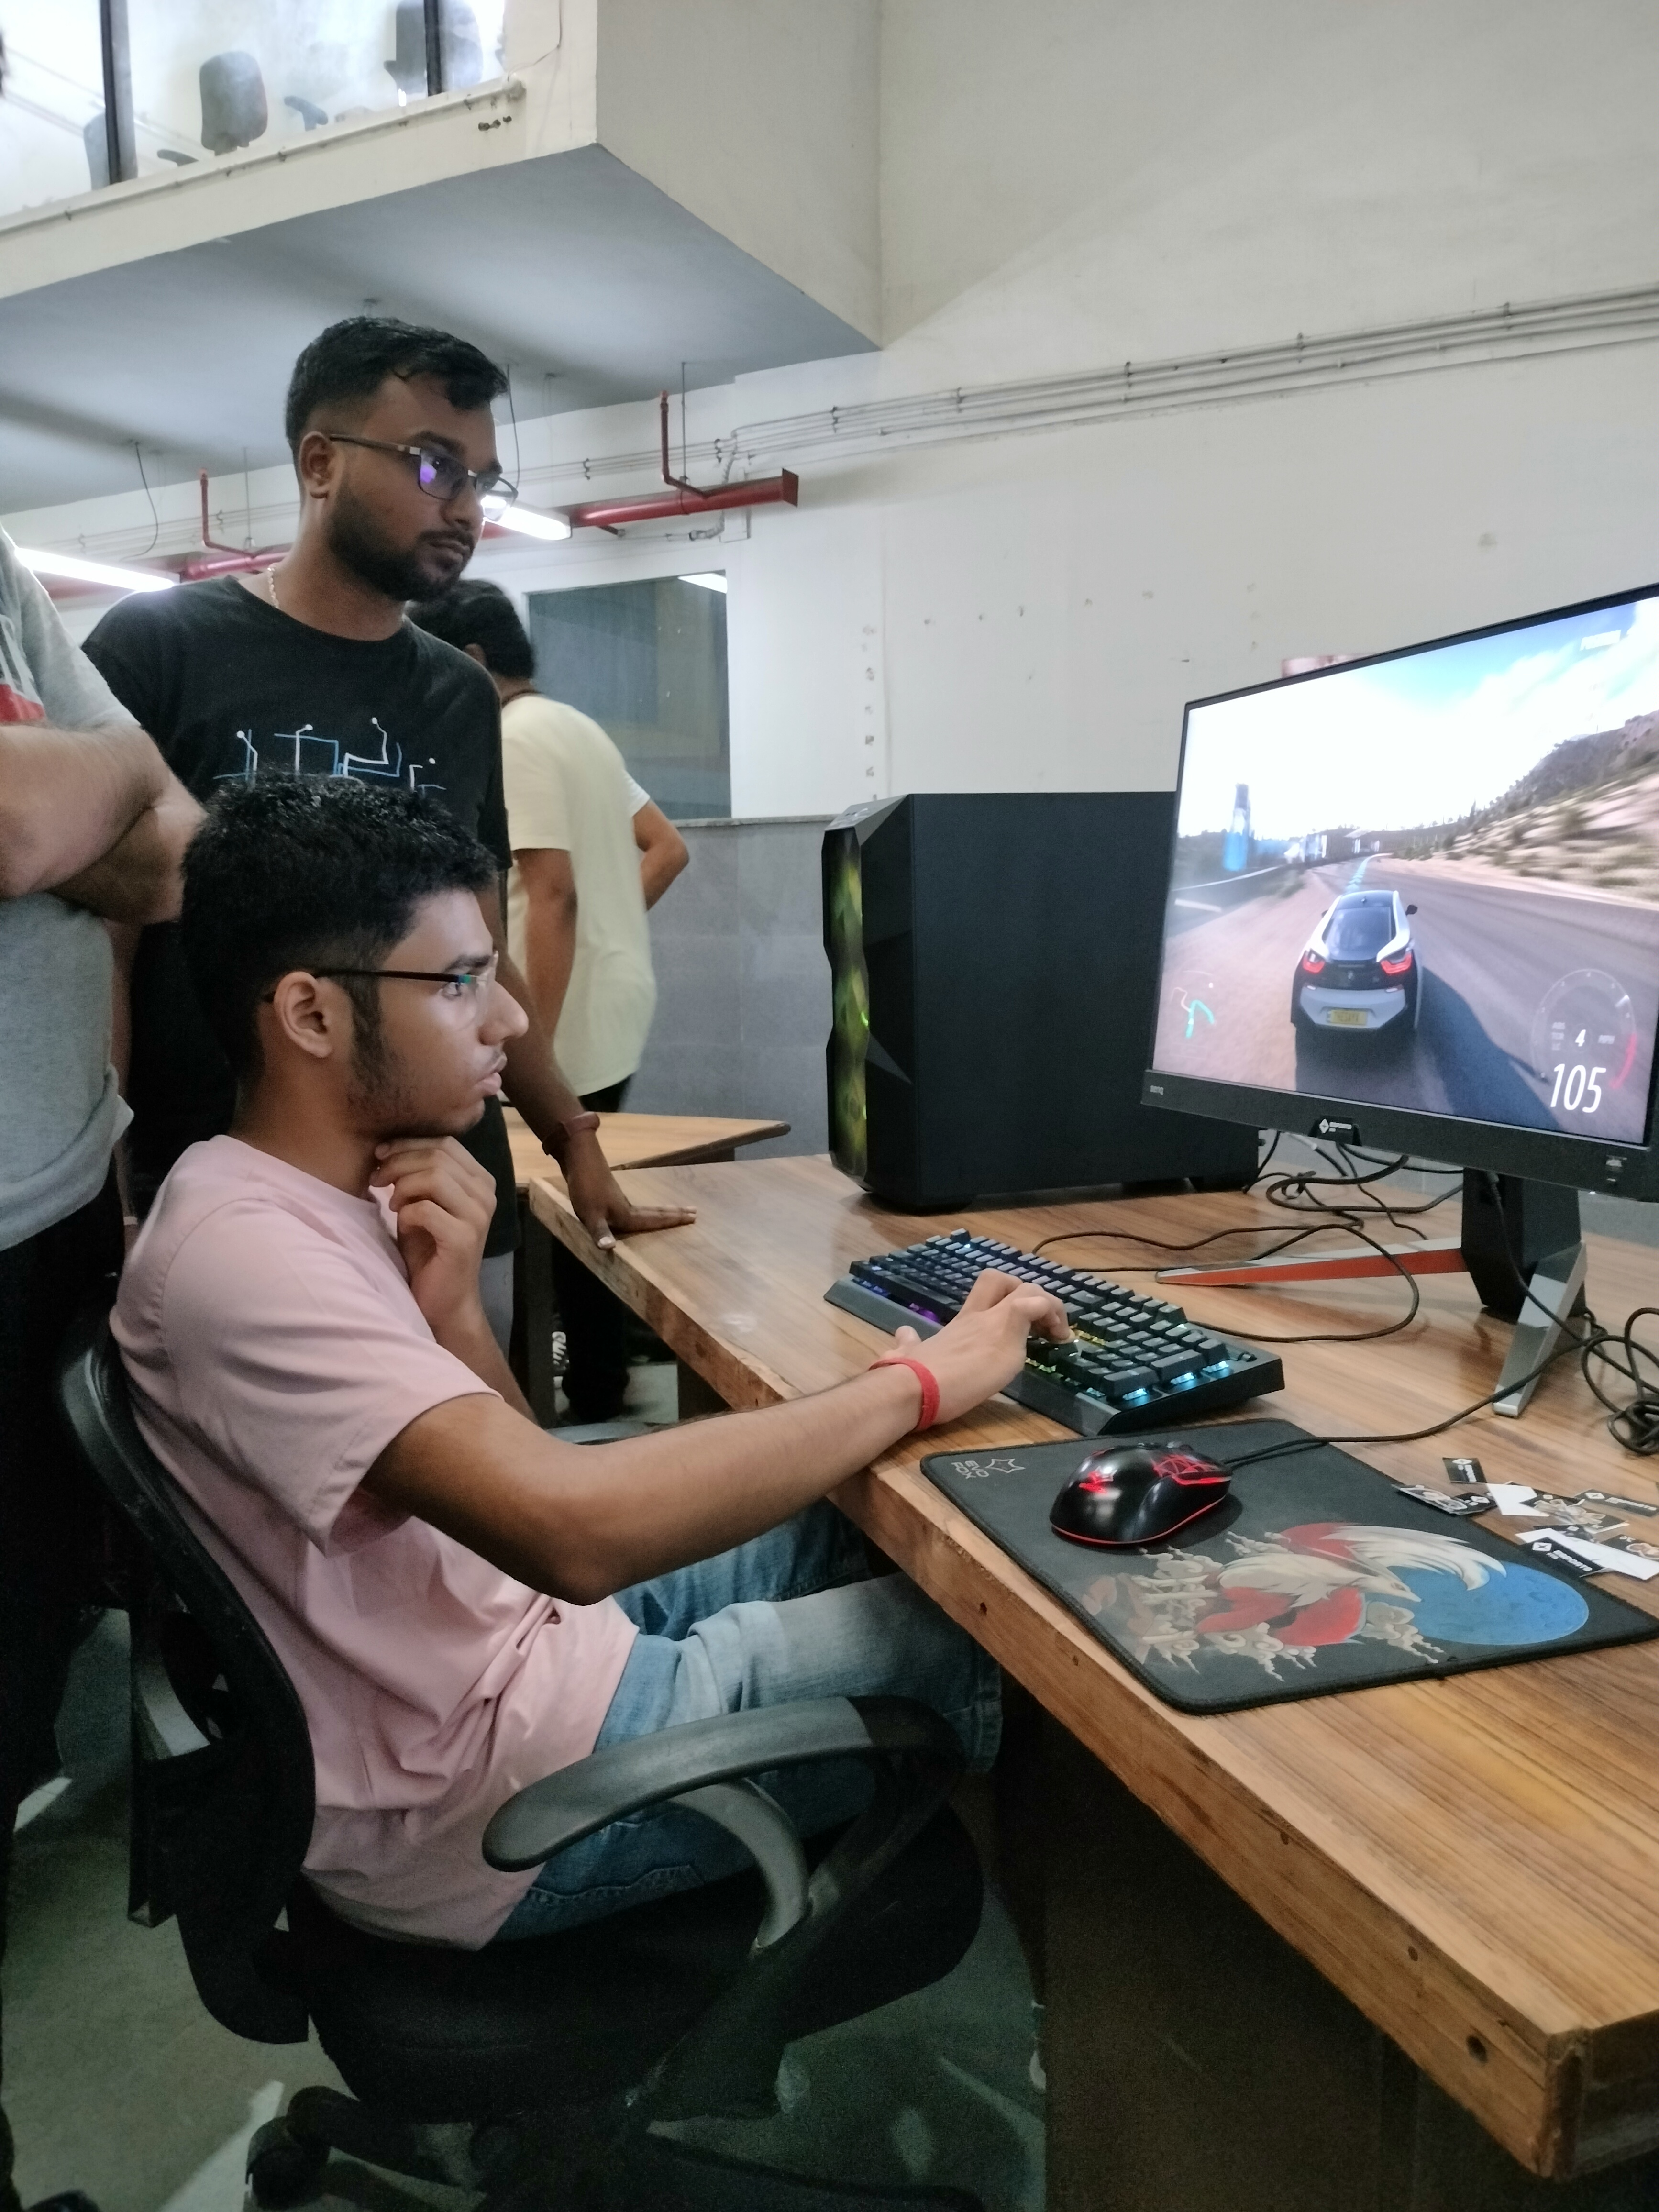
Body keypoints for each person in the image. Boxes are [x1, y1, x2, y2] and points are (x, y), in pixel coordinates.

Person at [113, 778, 1068, 1948]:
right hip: (497, 1798)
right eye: (460, 981)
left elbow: (517, 1482)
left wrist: (454, 1313)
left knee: (875, 1522)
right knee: (1024, 1637)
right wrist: (920, 1380)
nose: (509, 1020)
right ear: (310, 1014)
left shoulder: (316, 1196)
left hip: (523, 1655)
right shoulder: (248, 1258)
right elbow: (571, 1531)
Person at [82, 315, 690, 1350]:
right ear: (320, 462)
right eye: (433, 465)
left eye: (482, 480)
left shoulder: (457, 692)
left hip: (439, 1194)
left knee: (481, 1443)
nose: (465, 507)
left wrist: (572, 1137)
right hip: (222, 1200)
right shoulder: (161, 649)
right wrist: (109, 1190)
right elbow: (103, 945)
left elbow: (483, 955)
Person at [0, 523, 200, 2212]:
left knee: (13, 1704)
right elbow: (26, 824)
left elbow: (166, 860)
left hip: (49, 1229)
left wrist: (93, 793)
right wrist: (112, 771)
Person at [407, 578, 688, 1422]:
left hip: (559, 1006)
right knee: (583, 1197)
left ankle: (592, 1390)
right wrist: (613, 927)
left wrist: (534, 1040)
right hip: (615, 990)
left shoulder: (513, 736)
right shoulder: (579, 728)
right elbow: (666, 848)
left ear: (470, 659)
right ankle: (601, 1376)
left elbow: (552, 892)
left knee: (563, 1209)